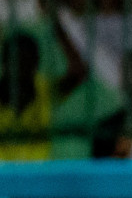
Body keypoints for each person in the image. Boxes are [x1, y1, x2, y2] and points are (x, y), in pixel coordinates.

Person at [0, 15, 88, 162]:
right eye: (16, 63)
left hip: (38, 176)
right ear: (5, 64)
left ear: (36, 65)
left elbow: (79, 72)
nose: (21, 71)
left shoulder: (45, 89)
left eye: (27, 64)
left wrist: (56, 25)